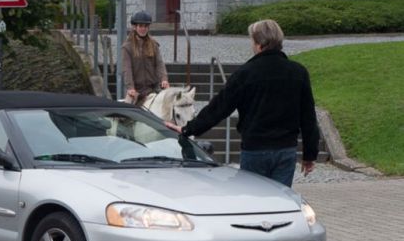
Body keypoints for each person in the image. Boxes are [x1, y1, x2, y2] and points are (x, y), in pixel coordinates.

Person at [166, 19, 319, 187]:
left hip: (255, 149)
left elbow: (220, 107)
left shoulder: (246, 73)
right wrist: (309, 155)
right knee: (279, 201)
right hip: (285, 149)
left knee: (253, 202)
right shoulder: (298, 72)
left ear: (260, 43)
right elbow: (308, 116)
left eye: (252, 41)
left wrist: (189, 128)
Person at [122, 10, 169, 105]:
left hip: (153, 88)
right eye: (140, 26)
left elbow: (159, 63)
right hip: (136, 90)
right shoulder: (127, 47)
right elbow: (127, 69)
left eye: (146, 26)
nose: (143, 29)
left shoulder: (153, 44)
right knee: (125, 116)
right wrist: (130, 87)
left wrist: (164, 79)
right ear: (135, 27)